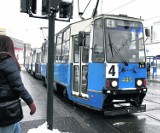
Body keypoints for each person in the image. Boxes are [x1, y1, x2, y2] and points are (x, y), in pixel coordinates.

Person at [0, 35, 36, 133]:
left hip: (5, 108)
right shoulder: (7, 61)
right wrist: (30, 102)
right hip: (7, 109)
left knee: (17, 129)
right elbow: (18, 86)